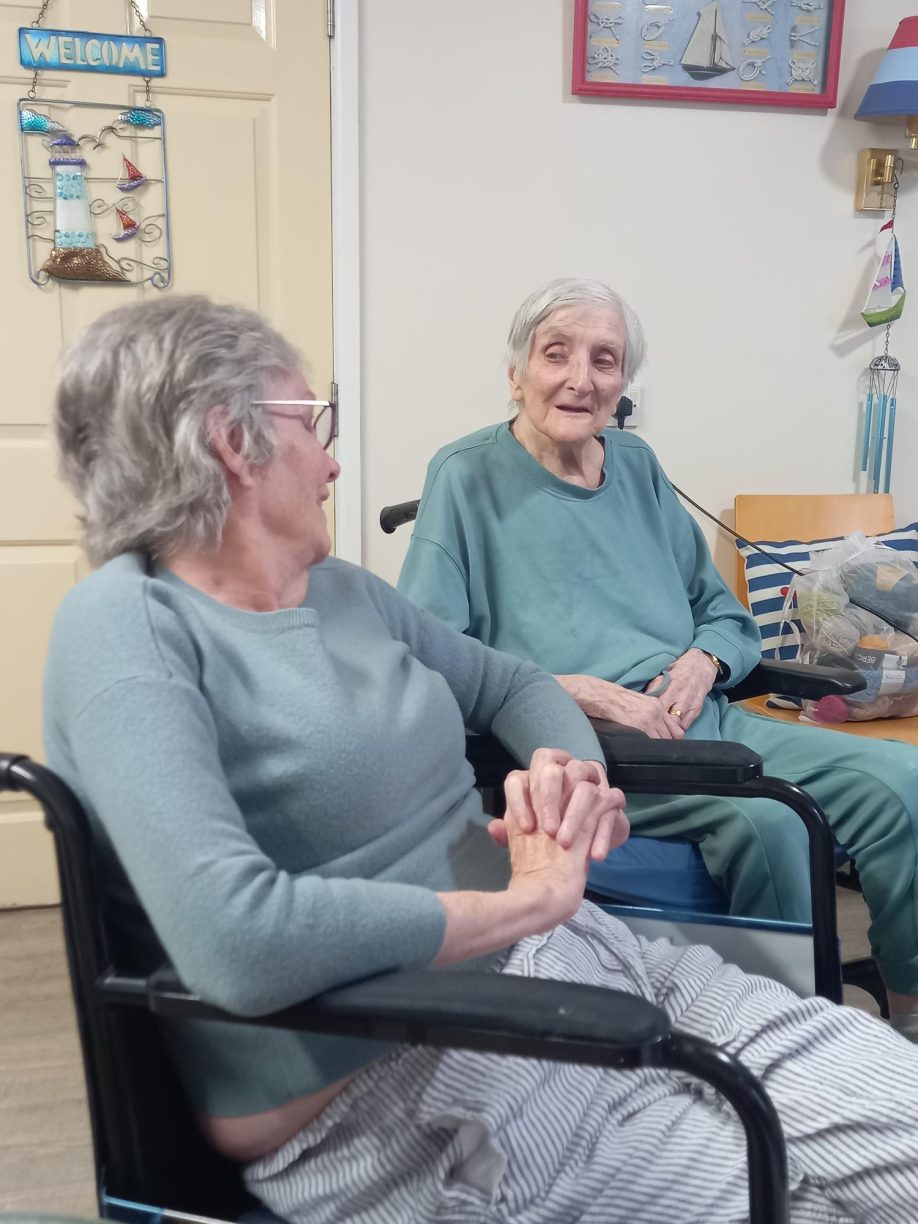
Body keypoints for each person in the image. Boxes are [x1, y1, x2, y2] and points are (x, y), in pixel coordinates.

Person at [44, 296, 918, 1224]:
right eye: (316, 423)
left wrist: (573, 776)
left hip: (586, 960)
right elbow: (238, 944)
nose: (335, 459)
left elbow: (511, 685)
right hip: (415, 1079)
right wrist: (519, 904)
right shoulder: (127, 625)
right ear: (232, 440)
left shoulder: (343, 592)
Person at [398, 276, 918, 1042]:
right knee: (771, 824)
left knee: (900, 781)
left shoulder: (637, 467)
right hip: (588, 745)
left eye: (604, 360)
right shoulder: (464, 476)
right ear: (517, 374)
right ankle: (788, 1040)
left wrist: (705, 660)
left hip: (703, 719)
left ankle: (907, 1013)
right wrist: (585, 693)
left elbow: (726, 617)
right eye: (557, 355)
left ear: (622, 383)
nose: (581, 378)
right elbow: (435, 659)